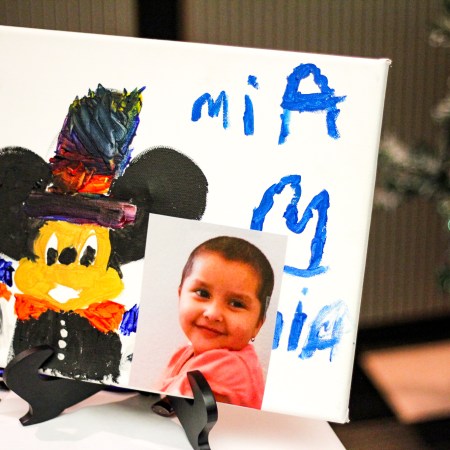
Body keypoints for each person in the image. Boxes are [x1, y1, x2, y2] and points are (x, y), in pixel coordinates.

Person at [158, 235, 275, 409]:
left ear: (258, 325)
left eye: (236, 304)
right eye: (203, 293)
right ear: (180, 295)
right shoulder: (184, 353)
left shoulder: (230, 370)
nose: (212, 314)